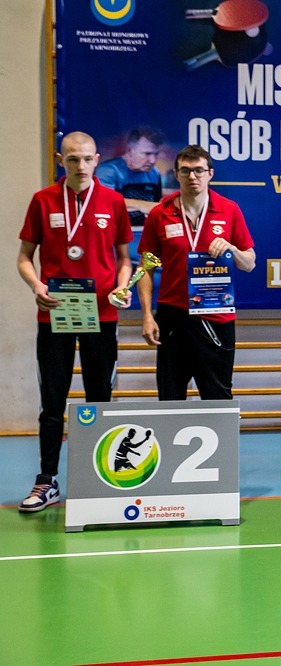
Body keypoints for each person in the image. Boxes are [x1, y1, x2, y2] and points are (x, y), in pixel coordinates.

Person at [15, 131, 133, 512]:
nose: (80, 166)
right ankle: (46, 480)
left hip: (102, 315)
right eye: (72, 159)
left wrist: (121, 286)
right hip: (54, 315)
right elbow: (24, 257)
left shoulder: (113, 201)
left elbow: (124, 259)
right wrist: (36, 285)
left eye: (86, 159)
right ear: (60, 160)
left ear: (97, 159)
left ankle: (99, 480)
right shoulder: (42, 200)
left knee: (100, 400)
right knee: (52, 402)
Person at [137, 145, 256, 400]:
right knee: (170, 397)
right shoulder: (159, 214)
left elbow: (249, 263)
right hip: (172, 315)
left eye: (199, 170)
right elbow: (145, 267)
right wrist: (146, 315)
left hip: (215, 314)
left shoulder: (229, 210)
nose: (193, 176)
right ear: (176, 174)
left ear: (210, 173)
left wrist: (232, 250)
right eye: (186, 171)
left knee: (218, 397)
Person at [95, 126, 167, 226]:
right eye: (147, 154)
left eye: (156, 154)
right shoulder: (108, 171)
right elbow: (103, 202)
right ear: (129, 150)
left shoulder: (154, 173)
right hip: (114, 230)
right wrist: (142, 205)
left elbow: (155, 205)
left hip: (143, 231)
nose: (153, 160)